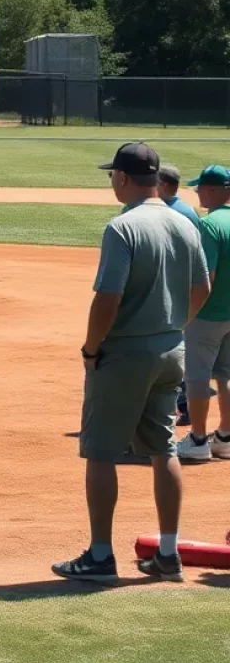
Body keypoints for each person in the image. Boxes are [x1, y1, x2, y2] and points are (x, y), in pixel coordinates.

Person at [52, 142, 209, 585]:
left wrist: (91, 348)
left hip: (124, 352)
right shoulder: (185, 223)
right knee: (164, 448)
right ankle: (168, 551)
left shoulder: (122, 228)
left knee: (101, 451)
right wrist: (175, 324)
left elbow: (108, 298)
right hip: (170, 350)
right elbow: (201, 288)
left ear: (122, 178)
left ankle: (100, 556)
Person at [176, 165, 230, 462]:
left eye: (201, 188)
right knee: (227, 375)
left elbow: (205, 279)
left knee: (197, 377)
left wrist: (187, 316)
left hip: (209, 315)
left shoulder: (211, 226)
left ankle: (198, 440)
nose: (197, 193)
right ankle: (225, 438)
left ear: (216, 189)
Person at [157, 165, 201, 426]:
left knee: (172, 348)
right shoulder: (189, 211)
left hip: (172, 291)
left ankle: (179, 406)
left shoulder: (170, 213)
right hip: (187, 289)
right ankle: (186, 406)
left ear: (163, 184)